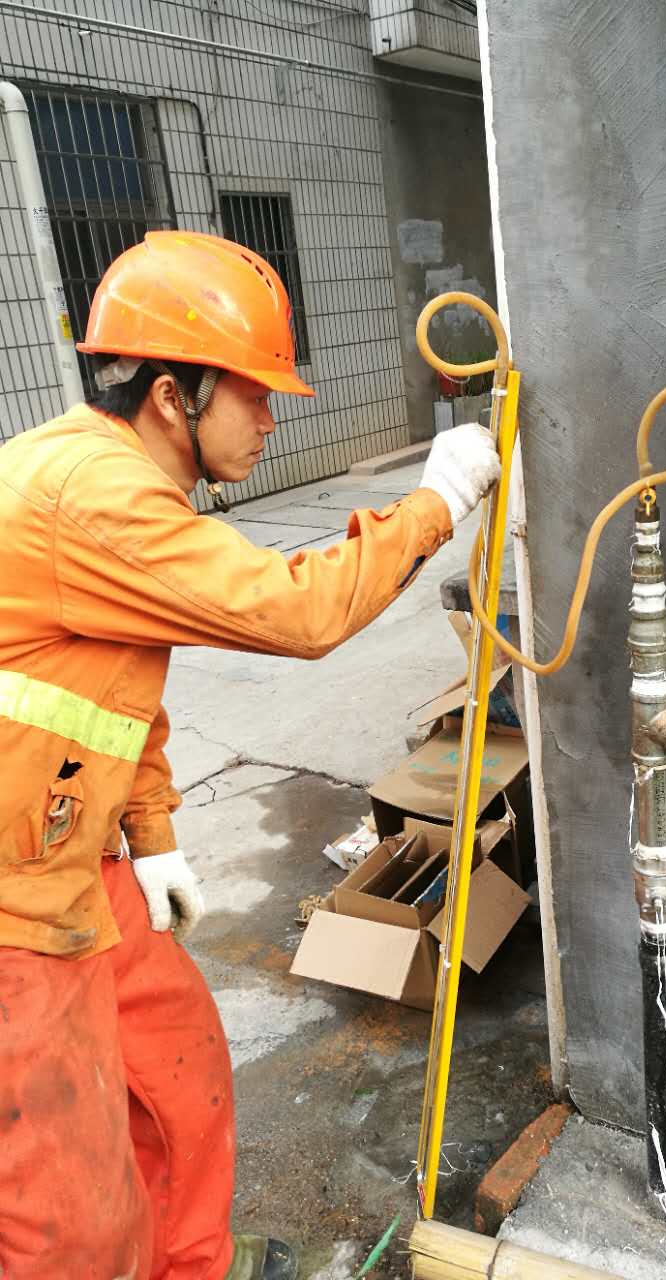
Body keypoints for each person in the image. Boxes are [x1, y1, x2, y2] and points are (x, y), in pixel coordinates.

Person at [0, 230, 500, 1280]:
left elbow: (108, 696)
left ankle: (193, 1261)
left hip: (70, 855)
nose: (273, 419)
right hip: (13, 905)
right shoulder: (93, 495)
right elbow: (295, 609)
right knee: (62, 1213)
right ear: (172, 395)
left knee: (177, 1070)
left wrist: (150, 835)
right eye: (257, 395)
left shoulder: (112, 480)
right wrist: (435, 505)